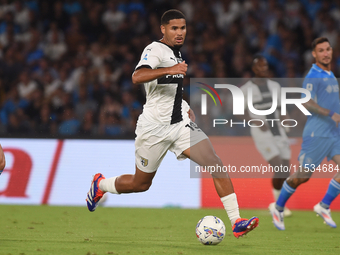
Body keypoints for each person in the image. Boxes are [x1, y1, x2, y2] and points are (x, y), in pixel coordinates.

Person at [86, 9, 259, 238]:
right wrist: (171, 69)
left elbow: (169, 88)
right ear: (163, 29)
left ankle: (236, 221)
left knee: (215, 163)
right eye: (174, 28)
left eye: (183, 28)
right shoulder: (154, 49)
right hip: (153, 129)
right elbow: (137, 76)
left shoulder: (176, 53)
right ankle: (101, 185)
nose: (180, 33)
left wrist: (185, 105)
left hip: (179, 125)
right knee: (140, 183)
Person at [270, 37, 340, 230]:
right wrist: (331, 114)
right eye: (321, 50)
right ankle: (278, 207)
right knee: (303, 175)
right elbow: (305, 102)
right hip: (317, 133)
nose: (326, 53)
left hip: (334, 134)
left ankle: (324, 205)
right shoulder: (313, 75)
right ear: (314, 54)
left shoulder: (330, 74)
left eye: (328, 49)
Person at [240, 55, 292, 217]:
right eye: (260, 67)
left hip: (279, 130)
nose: (263, 69)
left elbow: (281, 106)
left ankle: (280, 204)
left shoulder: (275, 86)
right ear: (254, 69)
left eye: (265, 66)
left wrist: (285, 118)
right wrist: (256, 122)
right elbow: (240, 112)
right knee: (278, 166)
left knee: (285, 169)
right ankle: (277, 205)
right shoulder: (245, 89)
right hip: (262, 133)